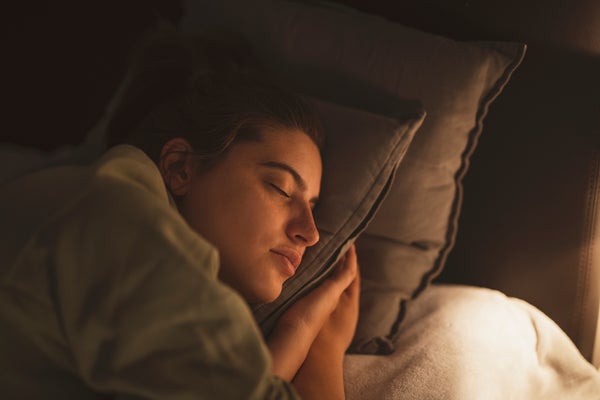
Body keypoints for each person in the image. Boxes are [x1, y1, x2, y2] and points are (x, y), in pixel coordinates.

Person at [0, 29, 359, 399]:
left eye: (313, 207)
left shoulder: (97, 203)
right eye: (281, 188)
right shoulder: (131, 233)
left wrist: (299, 327)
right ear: (180, 168)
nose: (311, 233)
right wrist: (326, 346)